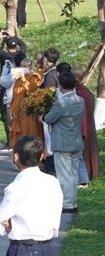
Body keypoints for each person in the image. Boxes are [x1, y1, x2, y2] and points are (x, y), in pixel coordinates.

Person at [42, 71, 86, 213]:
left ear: (60, 85)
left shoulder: (61, 103)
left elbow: (49, 119)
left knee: (64, 175)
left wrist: (42, 117)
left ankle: (67, 204)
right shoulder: (80, 100)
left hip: (62, 142)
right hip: (76, 141)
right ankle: (72, 202)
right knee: (73, 174)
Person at [0, 31, 27, 150]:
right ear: (16, 46)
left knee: (5, 115)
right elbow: (24, 45)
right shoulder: (21, 55)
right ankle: (18, 141)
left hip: (6, 88)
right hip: (19, 89)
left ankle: (9, 141)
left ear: (7, 47)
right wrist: (14, 37)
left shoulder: (4, 57)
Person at [73, 68, 100, 185]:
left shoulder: (78, 92)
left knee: (80, 153)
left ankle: (83, 178)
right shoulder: (87, 91)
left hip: (82, 124)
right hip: (88, 124)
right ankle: (87, 174)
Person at [8, 59, 43, 149]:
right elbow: (15, 96)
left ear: (29, 67)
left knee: (29, 138)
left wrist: (24, 79)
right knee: (18, 141)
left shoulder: (34, 77)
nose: (22, 68)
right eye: (21, 66)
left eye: (24, 67)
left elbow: (31, 92)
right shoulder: (17, 79)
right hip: (17, 115)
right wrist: (12, 111)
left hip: (28, 115)